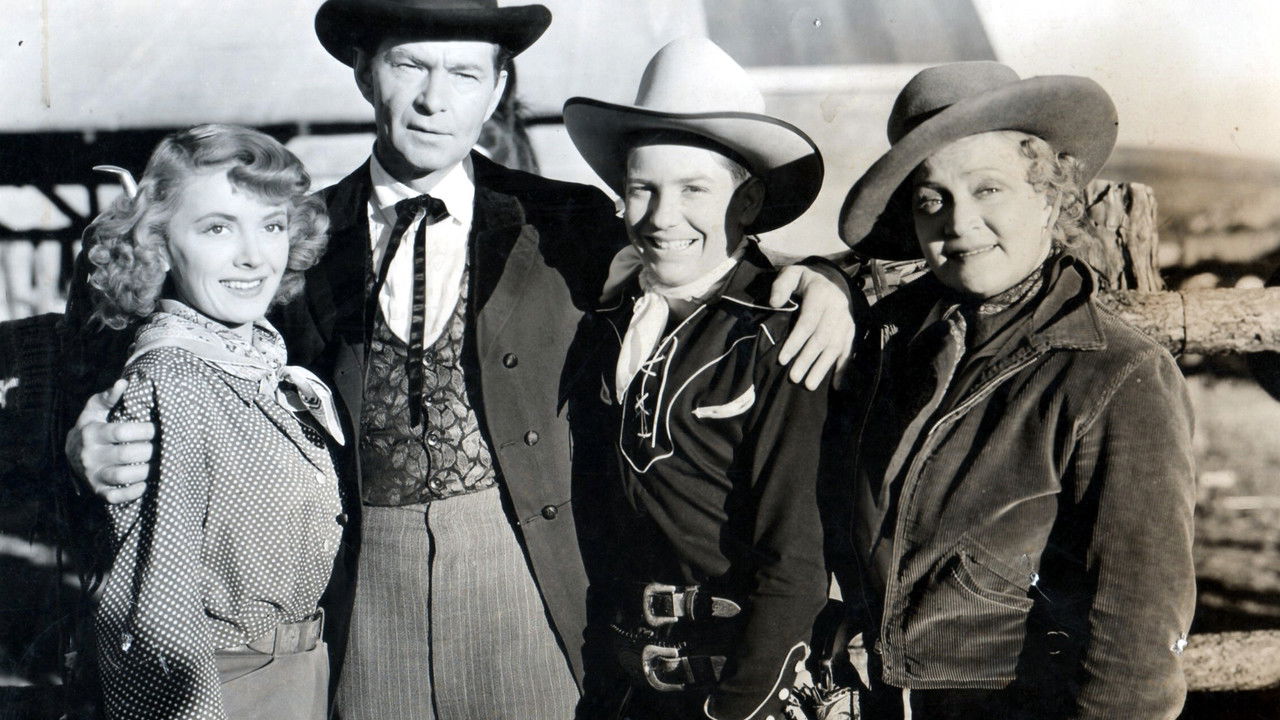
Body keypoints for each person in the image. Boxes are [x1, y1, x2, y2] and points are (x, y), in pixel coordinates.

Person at [64, 1, 856, 717]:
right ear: (366, 72)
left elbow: (702, 255)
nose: (436, 100)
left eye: (465, 72)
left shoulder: (568, 221)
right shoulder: (297, 235)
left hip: (530, 591)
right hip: (366, 600)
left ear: (498, 84)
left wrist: (828, 284)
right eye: (411, 65)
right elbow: (148, 328)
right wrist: (87, 436)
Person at [832, 61, 1197, 719]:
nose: (959, 223)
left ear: (1049, 193)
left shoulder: (1115, 374)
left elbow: (1137, 638)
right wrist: (820, 282)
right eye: (930, 199)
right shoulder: (892, 348)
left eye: (988, 189)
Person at [564, 38, 833, 720]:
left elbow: (794, 564)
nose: (662, 217)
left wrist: (743, 707)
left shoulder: (780, 333)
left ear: (747, 201)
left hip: (737, 686)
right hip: (625, 689)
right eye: (641, 189)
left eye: (694, 190)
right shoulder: (606, 318)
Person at [86, 124, 341, 719]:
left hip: (296, 676)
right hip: (219, 690)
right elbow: (154, 602)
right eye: (218, 227)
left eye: (271, 225)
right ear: (155, 243)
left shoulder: (255, 358)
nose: (253, 255)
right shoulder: (175, 378)